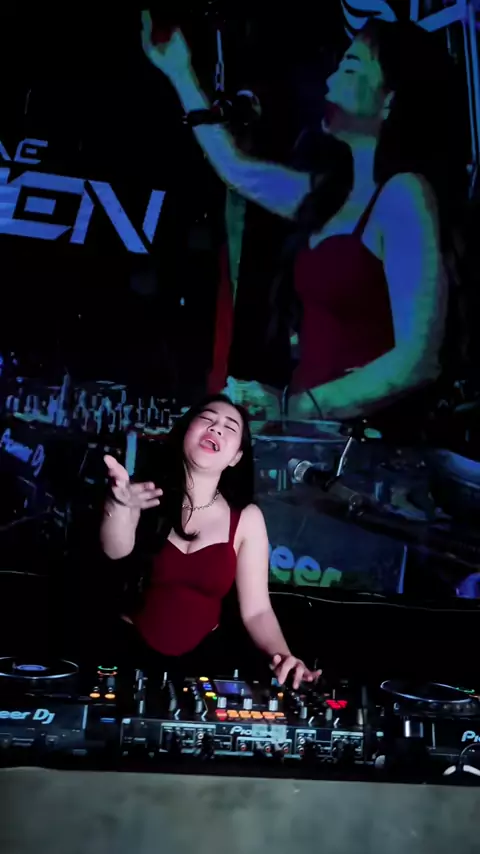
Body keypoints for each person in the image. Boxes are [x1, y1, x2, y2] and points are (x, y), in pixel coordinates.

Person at [141, 13, 463, 423]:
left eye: (350, 67)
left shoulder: (406, 195)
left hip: (374, 446)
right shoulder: (330, 193)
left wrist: (298, 406)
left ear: (390, 100)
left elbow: (417, 360)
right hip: (317, 437)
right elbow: (237, 170)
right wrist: (180, 72)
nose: (329, 81)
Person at [100, 394, 320, 688]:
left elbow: (257, 610)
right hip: (125, 653)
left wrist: (285, 657)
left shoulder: (247, 518)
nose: (216, 427)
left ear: (236, 457)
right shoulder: (144, 492)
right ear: (185, 433)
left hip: (203, 663)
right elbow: (115, 551)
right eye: (206, 419)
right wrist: (118, 505)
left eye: (230, 427)